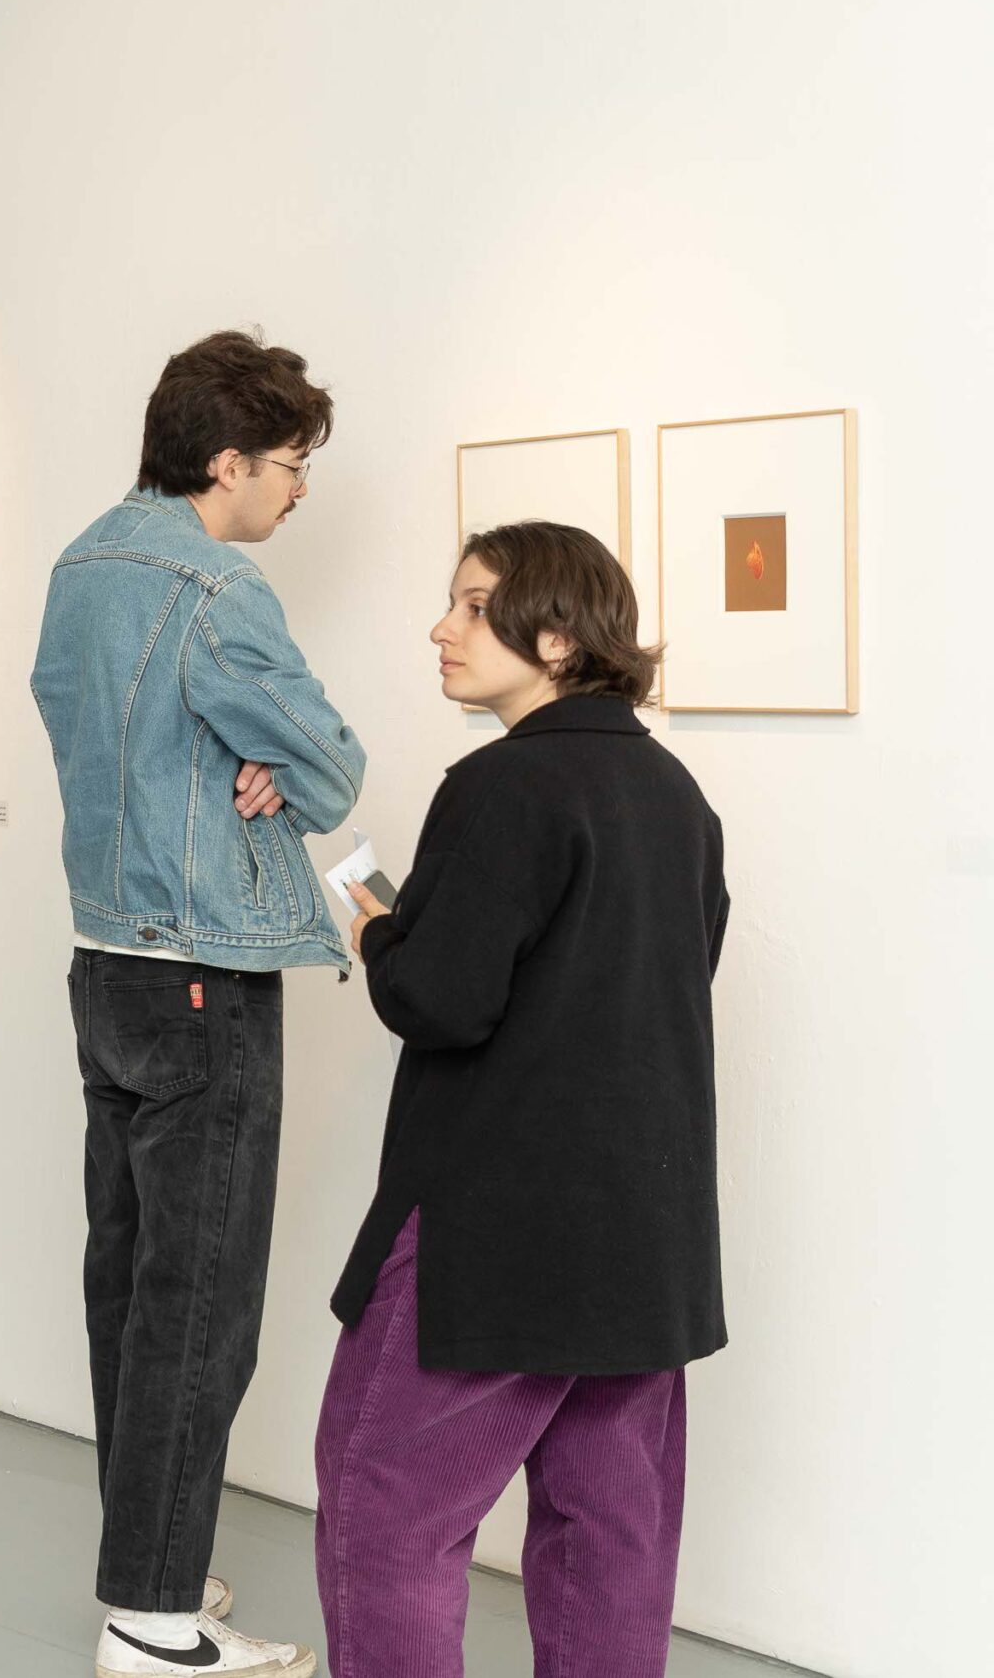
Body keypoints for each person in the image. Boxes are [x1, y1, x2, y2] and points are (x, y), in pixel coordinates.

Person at [320, 522, 727, 1678]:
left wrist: (379, 935)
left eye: (470, 604)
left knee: (385, 1513)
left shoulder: (501, 786)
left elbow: (441, 1002)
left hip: (492, 1235)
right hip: (641, 1246)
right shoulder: (676, 796)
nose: (440, 629)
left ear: (553, 636)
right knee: (609, 1539)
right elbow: (657, 983)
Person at [28, 329, 365, 1678]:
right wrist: (277, 763)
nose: (298, 489)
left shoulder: (81, 564)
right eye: (288, 463)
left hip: (105, 961)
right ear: (226, 462)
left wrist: (248, 754)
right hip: (201, 973)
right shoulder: (216, 586)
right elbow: (331, 764)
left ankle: (152, 1571)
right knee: (200, 1298)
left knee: (129, 1284)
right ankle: (155, 1620)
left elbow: (117, 738)